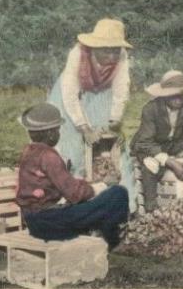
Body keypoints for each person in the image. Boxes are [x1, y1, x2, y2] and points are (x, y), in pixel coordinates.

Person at [46, 17, 137, 210]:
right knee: (74, 148)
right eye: (106, 50)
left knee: (108, 147)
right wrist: (84, 128)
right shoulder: (78, 54)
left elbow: (121, 92)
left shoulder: (122, 57)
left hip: (102, 94)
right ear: (95, 47)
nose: (112, 56)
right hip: (71, 97)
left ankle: (122, 205)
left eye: (115, 50)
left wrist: (113, 122)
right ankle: (77, 202)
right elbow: (70, 94)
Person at [15, 103, 130, 249]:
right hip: (50, 224)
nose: (59, 134)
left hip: (33, 222)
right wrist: (105, 184)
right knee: (117, 193)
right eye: (58, 130)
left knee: (87, 205)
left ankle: (102, 239)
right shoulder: (49, 156)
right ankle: (113, 243)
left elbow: (58, 188)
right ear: (50, 133)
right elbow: (75, 193)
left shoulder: (29, 152)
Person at [130, 70, 183, 212]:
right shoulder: (151, 109)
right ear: (164, 96)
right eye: (173, 96)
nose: (179, 100)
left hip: (174, 145)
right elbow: (145, 143)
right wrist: (171, 162)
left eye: (181, 95)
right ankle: (151, 207)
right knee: (150, 166)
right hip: (150, 146)